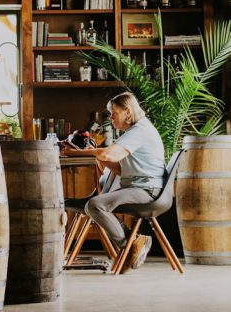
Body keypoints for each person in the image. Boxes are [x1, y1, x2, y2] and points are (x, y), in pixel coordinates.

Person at [60, 92, 164, 273]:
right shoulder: (137, 130)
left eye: (113, 113)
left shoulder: (139, 130)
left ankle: (131, 244)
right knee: (95, 205)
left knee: (95, 205)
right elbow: (120, 169)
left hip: (147, 190)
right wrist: (95, 153)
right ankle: (134, 245)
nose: (111, 118)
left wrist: (76, 153)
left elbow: (108, 154)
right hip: (142, 187)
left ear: (127, 112)